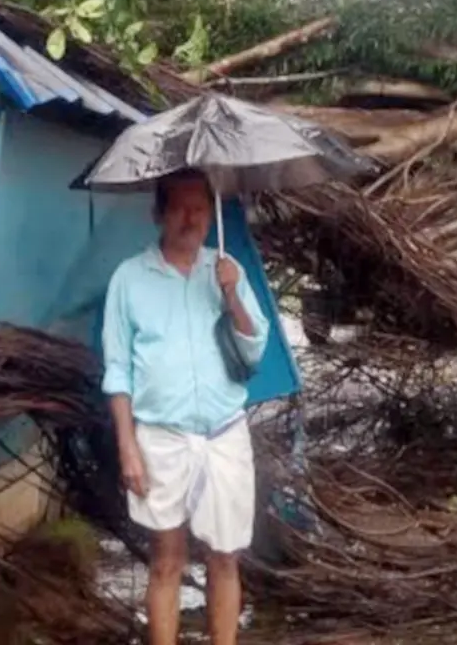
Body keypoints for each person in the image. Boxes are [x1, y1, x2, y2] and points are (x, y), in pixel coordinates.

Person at [101, 169, 269, 645]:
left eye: (199, 207)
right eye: (179, 206)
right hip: (160, 437)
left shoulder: (225, 269)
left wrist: (232, 294)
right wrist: (127, 446)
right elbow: (117, 370)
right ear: (159, 213)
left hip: (224, 433)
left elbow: (254, 350)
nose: (191, 217)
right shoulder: (129, 279)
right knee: (166, 559)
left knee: (225, 556)